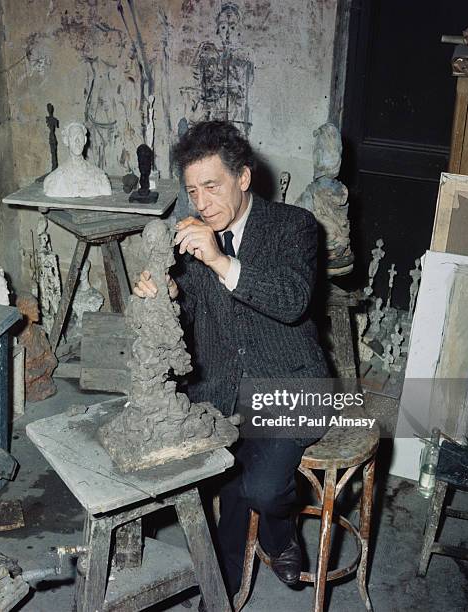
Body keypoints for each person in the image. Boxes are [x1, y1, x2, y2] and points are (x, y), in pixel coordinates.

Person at [134, 121, 329, 605]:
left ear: (243, 178)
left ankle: (280, 535)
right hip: (221, 390)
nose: (202, 203)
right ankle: (217, 594)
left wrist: (222, 261)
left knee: (261, 489)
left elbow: (292, 300)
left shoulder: (294, 225)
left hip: (292, 384)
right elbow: (192, 318)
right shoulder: (195, 237)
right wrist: (168, 295)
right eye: (193, 191)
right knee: (206, 482)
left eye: (212, 186)